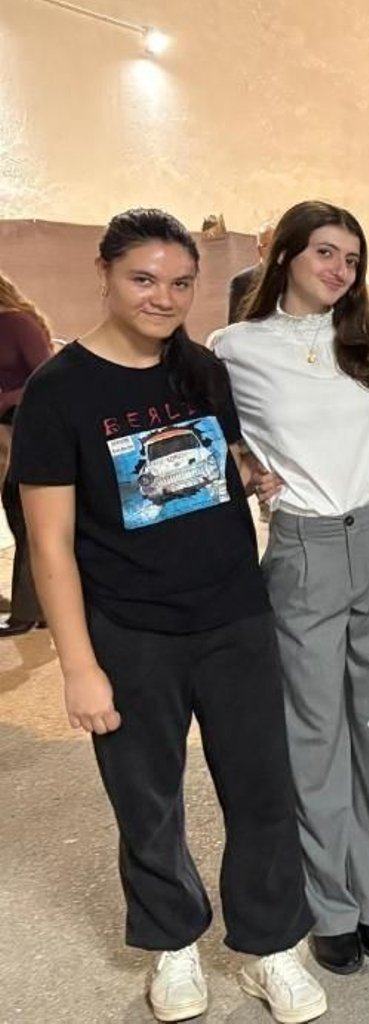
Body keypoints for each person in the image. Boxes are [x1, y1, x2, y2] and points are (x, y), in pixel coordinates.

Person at [12, 208, 326, 1024]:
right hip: (129, 630)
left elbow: (219, 464)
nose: (164, 297)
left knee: (262, 792)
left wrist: (248, 473)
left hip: (234, 617)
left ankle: (268, 947)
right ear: (104, 273)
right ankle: (174, 943)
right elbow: (49, 547)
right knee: (147, 802)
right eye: (143, 279)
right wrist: (79, 666)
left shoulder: (201, 369)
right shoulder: (59, 391)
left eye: (181, 283)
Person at [211, 202, 369, 977]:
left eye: (352, 259)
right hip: (306, 547)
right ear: (286, 255)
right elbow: (211, 438)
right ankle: (330, 905)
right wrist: (240, 464)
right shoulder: (234, 348)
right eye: (325, 252)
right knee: (315, 734)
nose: (340, 270)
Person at [1, 269, 54, 635]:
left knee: (26, 516)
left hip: (27, 430)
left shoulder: (17, 323)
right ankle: (39, 607)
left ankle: (27, 613)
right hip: (8, 430)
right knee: (20, 516)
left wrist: (4, 399)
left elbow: (45, 376)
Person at [227, 224, 276, 325]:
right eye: (267, 245)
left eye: (275, 244)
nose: (272, 250)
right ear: (259, 249)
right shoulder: (242, 281)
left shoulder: (290, 277)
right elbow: (235, 323)